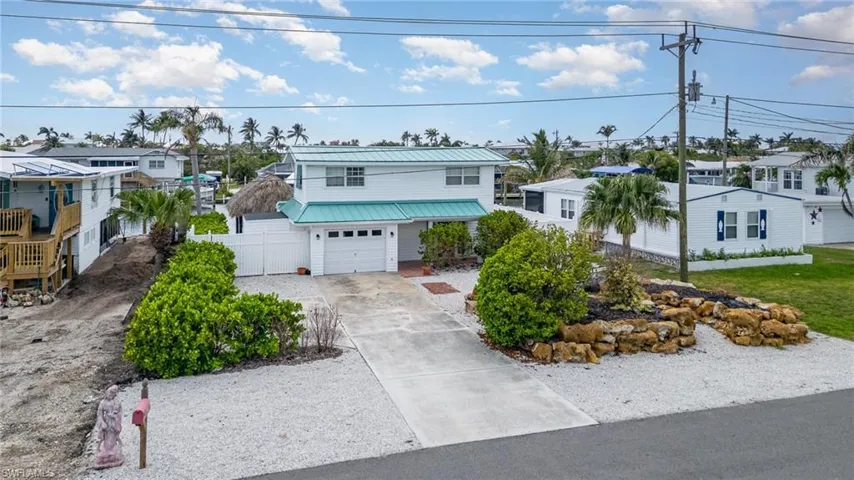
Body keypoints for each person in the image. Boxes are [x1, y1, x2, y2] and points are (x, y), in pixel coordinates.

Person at [94, 385, 124, 468]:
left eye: (112, 394)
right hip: (106, 423)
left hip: (114, 423)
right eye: (109, 393)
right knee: (106, 438)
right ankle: (106, 451)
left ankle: (112, 450)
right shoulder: (103, 403)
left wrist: (116, 417)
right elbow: (99, 414)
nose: (110, 395)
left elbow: (120, 412)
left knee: (113, 437)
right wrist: (102, 422)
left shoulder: (116, 402)